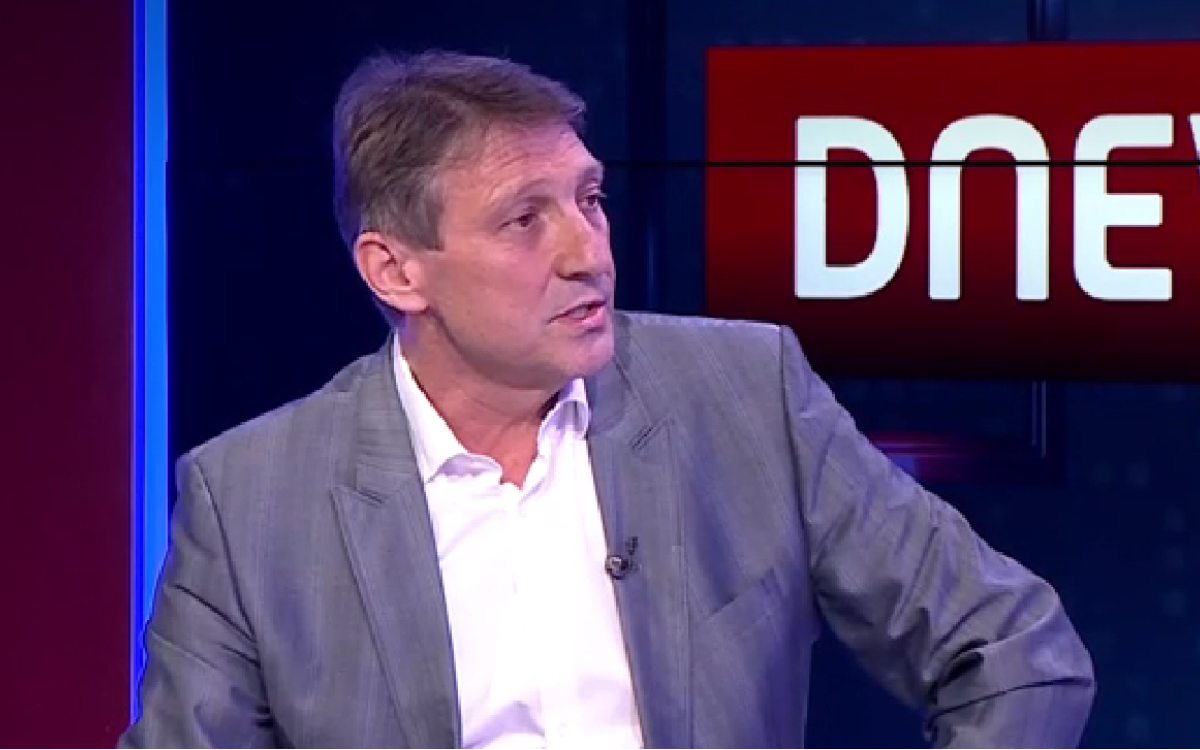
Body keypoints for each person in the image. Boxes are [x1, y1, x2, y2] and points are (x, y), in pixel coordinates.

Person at [119, 49, 1095, 749]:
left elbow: (1014, 650)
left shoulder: (744, 398)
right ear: (396, 270)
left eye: (589, 199)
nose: (588, 252)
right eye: (524, 220)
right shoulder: (251, 501)